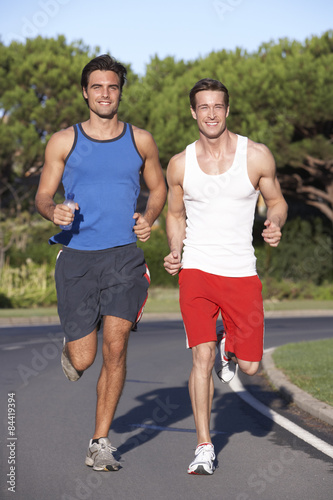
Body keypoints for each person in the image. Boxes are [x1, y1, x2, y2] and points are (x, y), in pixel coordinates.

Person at [35, 54, 167, 472]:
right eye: (97, 86)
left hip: (124, 258)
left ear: (120, 91)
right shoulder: (63, 141)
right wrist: (52, 211)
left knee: (116, 346)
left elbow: (159, 187)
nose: (105, 93)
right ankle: (73, 349)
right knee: (83, 359)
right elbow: (42, 196)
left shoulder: (140, 140)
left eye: (112, 86)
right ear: (85, 92)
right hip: (76, 258)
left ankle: (100, 442)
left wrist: (148, 218)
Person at [164, 78, 288, 475]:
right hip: (197, 270)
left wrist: (274, 222)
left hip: (240, 273)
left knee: (251, 367)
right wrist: (174, 249)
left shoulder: (256, 156)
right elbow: (175, 214)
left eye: (218, 106)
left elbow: (277, 201)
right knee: (199, 358)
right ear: (193, 112)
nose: (211, 114)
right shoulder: (180, 164)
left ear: (227, 110)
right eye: (204, 107)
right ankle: (204, 445)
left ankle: (228, 344)